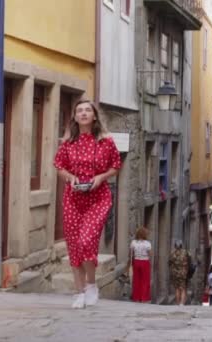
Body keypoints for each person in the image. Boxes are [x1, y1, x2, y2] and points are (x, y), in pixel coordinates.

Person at [54, 99, 122, 309]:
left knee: (86, 241)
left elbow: (116, 166)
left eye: (87, 110)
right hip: (73, 198)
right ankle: (79, 292)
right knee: (74, 246)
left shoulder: (106, 141)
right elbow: (59, 166)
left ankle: (91, 285)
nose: (83, 113)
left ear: (94, 116)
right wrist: (70, 177)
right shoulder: (68, 143)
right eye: (79, 111)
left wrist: (101, 178)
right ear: (74, 117)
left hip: (98, 198)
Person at [127, 227, 152, 303]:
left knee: (136, 280)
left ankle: (136, 297)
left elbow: (130, 253)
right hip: (145, 262)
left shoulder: (133, 242)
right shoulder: (147, 243)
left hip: (136, 261)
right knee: (145, 280)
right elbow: (150, 254)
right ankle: (144, 298)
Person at [168, 240, 190, 305]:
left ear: (175, 245)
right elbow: (189, 260)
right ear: (181, 245)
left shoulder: (172, 253)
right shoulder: (185, 252)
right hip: (183, 272)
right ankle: (182, 303)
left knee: (177, 288)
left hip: (175, 273)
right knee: (183, 288)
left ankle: (177, 303)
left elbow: (169, 262)